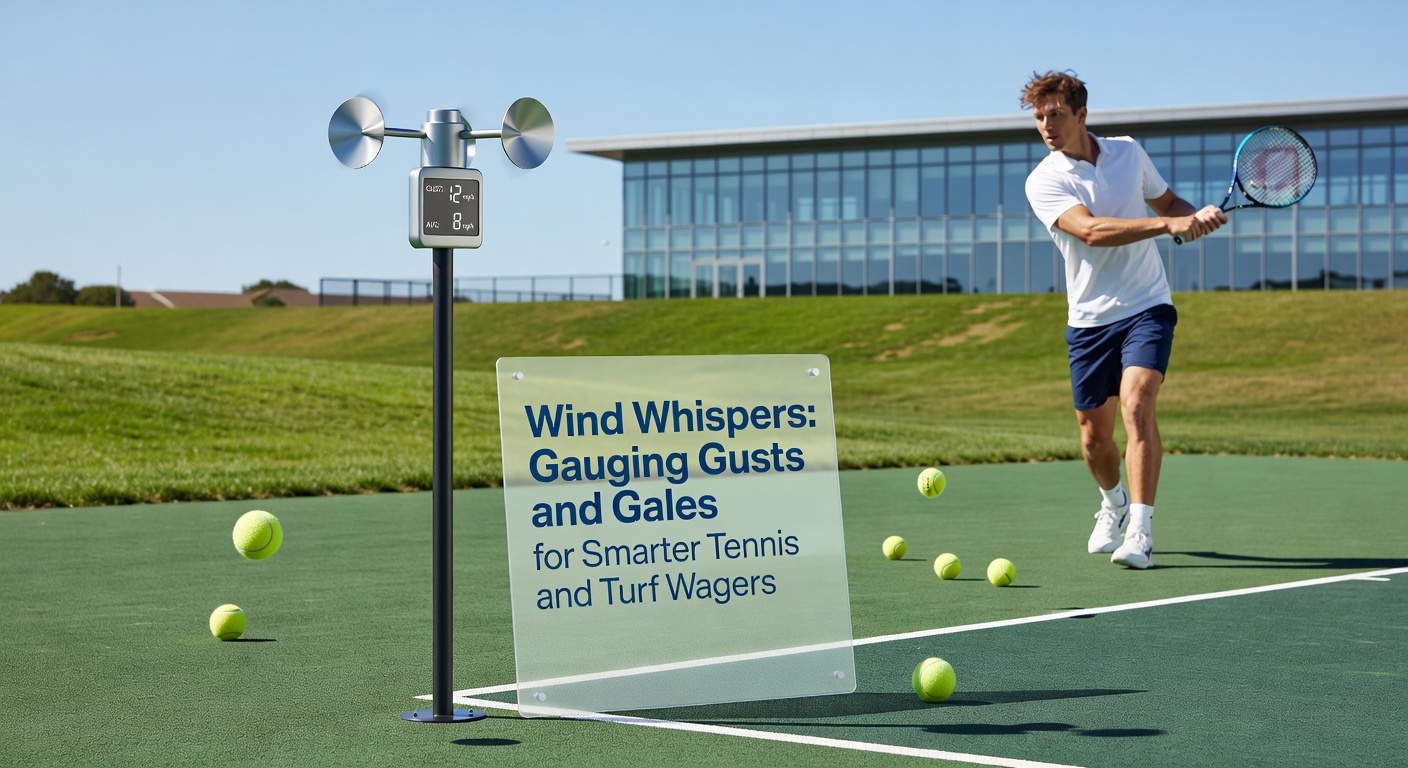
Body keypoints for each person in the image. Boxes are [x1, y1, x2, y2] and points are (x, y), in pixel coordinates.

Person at [1020, 71, 1226, 569]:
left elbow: (1167, 202)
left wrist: (1194, 216)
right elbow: (1090, 232)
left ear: (1082, 114)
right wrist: (1166, 224)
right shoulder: (1044, 179)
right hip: (1089, 320)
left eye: (1056, 114)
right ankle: (1111, 504)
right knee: (1094, 438)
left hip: (1147, 305)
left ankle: (1140, 530)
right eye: (1039, 117)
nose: (1047, 125)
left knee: (1137, 406)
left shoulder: (1129, 153)